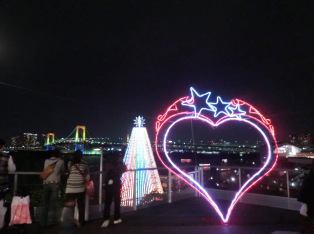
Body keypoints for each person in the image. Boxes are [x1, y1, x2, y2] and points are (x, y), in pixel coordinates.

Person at [64, 149, 89, 228]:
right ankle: (81, 222)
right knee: (80, 205)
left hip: (70, 187)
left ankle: (71, 222)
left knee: (71, 206)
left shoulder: (70, 163)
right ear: (81, 156)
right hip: (80, 187)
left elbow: (69, 171)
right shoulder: (84, 164)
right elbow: (86, 173)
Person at [39, 149, 65, 228]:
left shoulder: (46, 161)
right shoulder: (61, 161)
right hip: (55, 184)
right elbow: (62, 171)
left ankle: (42, 222)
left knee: (45, 203)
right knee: (52, 203)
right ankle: (51, 221)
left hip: (46, 183)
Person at [101, 155, 127, 228]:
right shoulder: (119, 166)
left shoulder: (108, 165)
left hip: (108, 185)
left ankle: (106, 219)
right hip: (116, 185)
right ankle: (116, 218)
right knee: (117, 202)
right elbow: (124, 169)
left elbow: (105, 173)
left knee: (107, 203)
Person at [298, 160, 314, 234]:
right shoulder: (310, 179)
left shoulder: (309, 178)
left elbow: (301, 197)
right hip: (309, 214)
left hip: (306, 213)